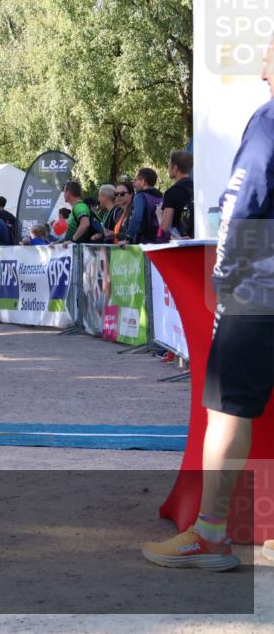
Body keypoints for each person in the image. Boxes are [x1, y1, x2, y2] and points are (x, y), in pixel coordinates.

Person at [142, 37, 274, 571]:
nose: (262, 65)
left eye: (267, 55)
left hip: (261, 281)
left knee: (226, 409)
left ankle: (211, 536)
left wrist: (224, 276)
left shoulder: (267, 121)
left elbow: (245, 199)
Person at [121, 167, 164, 245]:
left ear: (143, 182)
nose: (134, 183)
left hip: (144, 242)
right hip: (159, 240)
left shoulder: (140, 196)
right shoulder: (161, 197)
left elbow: (137, 217)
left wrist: (128, 237)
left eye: (136, 180)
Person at [161, 150, 194, 241]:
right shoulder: (197, 188)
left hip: (180, 246)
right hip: (198, 242)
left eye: (169, 165)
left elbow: (164, 230)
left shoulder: (171, 193)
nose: (168, 169)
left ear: (175, 168)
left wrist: (159, 216)